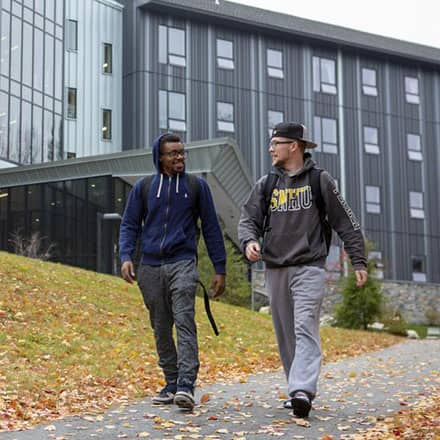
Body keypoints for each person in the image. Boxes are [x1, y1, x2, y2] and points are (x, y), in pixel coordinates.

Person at [238, 122, 368, 418]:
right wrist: (248, 242)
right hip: (275, 267)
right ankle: (295, 387)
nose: (270, 148)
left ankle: (302, 391)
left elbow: (346, 222)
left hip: (310, 266)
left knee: (304, 325)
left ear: (294, 146)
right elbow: (248, 218)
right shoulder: (266, 183)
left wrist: (358, 260)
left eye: (276, 143)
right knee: (285, 333)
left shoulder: (320, 181)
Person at [119, 133, 226, 411]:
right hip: (150, 266)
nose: (180, 157)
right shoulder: (143, 188)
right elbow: (130, 224)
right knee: (160, 326)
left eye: (182, 152)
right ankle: (171, 381)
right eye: (173, 153)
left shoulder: (196, 187)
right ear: (160, 157)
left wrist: (220, 268)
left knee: (184, 320)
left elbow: (212, 228)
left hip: (183, 261)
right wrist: (126, 256)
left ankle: (187, 384)